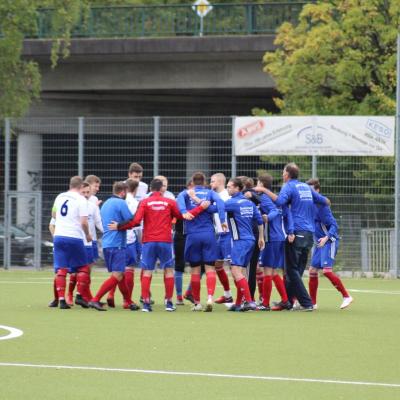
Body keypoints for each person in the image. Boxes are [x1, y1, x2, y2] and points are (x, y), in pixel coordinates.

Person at [109, 178, 210, 312]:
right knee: (168, 270)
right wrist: (200, 208)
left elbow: (136, 221)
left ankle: (146, 303)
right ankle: (168, 303)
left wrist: (119, 226)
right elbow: (183, 216)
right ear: (162, 189)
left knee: (147, 271)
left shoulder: (144, 202)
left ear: (150, 189)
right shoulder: (169, 202)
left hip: (149, 242)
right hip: (165, 241)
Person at [255, 163, 329, 311]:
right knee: (297, 270)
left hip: (296, 232)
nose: (282, 175)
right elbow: (324, 201)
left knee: (290, 270)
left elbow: (279, 202)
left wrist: (263, 189)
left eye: (283, 172)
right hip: (309, 234)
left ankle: (306, 303)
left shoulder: (289, 186)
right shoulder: (306, 187)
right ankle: (288, 301)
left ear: (287, 174)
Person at [177, 171, 226, 312]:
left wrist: (184, 212)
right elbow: (221, 204)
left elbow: (180, 204)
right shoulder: (210, 193)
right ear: (205, 182)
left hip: (192, 235)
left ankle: (197, 303)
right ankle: (210, 297)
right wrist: (221, 219)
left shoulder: (186, 193)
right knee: (210, 268)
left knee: (195, 270)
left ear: (192, 182)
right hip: (209, 234)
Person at [89, 181, 138, 311]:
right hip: (117, 244)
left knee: (120, 275)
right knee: (117, 275)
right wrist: (122, 225)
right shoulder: (121, 203)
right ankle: (95, 299)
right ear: (122, 192)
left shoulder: (106, 203)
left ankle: (128, 302)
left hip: (106, 244)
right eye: (125, 193)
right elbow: (132, 220)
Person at [306, 178, 353, 310]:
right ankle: (313, 303)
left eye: (311, 190)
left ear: (317, 191)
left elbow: (334, 225)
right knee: (312, 270)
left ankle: (346, 296)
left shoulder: (322, 206)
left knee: (326, 271)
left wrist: (327, 238)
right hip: (319, 243)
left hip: (329, 241)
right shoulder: (309, 205)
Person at [49, 176, 92, 309]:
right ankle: (79, 296)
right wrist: (87, 234)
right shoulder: (81, 200)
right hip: (74, 236)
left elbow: (54, 215)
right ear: (80, 187)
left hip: (59, 236)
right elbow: (84, 222)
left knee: (61, 269)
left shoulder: (60, 196)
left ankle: (61, 299)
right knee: (83, 267)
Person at [224, 178, 265, 312]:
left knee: (236, 271)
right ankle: (237, 303)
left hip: (240, 241)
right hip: (251, 240)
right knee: (241, 272)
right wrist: (261, 237)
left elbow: (214, 208)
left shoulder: (232, 203)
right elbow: (259, 221)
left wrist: (200, 203)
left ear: (237, 188)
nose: (227, 189)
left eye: (230, 187)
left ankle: (249, 302)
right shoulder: (249, 203)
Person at [256, 174, 291, 311]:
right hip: (278, 237)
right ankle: (285, 300)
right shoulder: (274, 198)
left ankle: (265, 304)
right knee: (272, 271)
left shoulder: (264, 198)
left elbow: (274, 211)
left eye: (257, 183)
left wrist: (266, 218)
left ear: (261, 185)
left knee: (267, 271)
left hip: (271, 238)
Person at [106, 179, 139, 308]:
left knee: (117, 271)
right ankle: (127, 300)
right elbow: (135, 222)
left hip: (111, 239)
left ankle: (111, 294)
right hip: (127, 240)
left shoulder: (109, 202)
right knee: (128, 269)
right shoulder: (132, 202)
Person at [209, 173, 233, 304]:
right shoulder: (215, 196)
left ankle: (244, 298)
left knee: (234, 266)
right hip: (220, 234)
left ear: (219, 182)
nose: (210, 184)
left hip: (228, 234)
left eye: (212, 181)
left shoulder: (225, 196)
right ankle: (227, 294)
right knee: (217, 264)